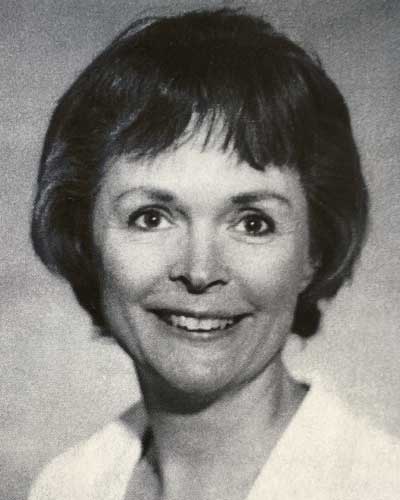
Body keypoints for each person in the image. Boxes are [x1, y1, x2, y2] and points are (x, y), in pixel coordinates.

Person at [29, 8, 400, 500]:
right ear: (84, 239)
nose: (200, 271)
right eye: (151, 217)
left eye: (253, 223)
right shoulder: (65, 487)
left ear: (313, 253)